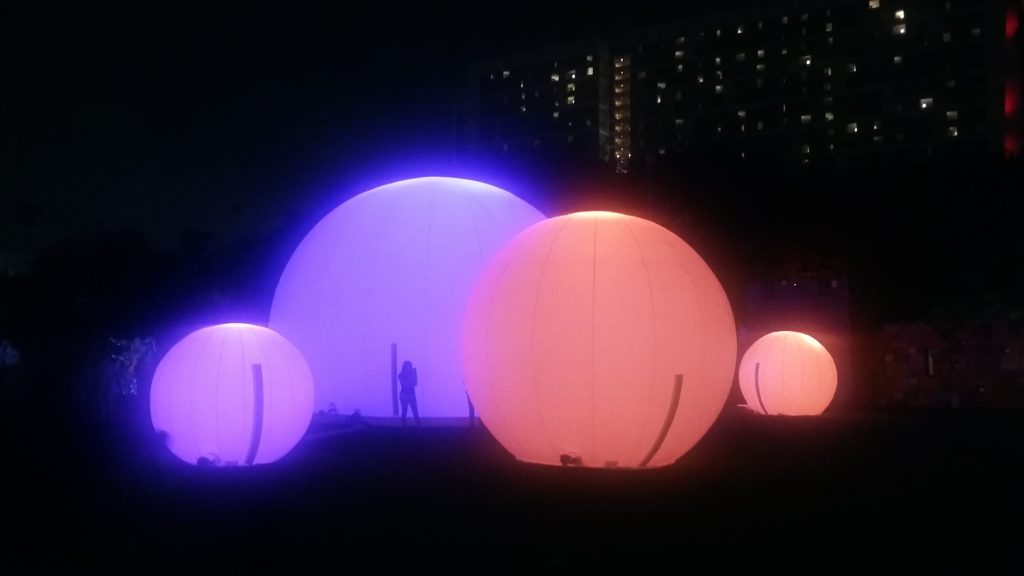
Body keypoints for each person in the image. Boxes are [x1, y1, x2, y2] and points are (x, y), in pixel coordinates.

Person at [398, 360, 420, 427]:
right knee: (404, 411)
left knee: (415, 411)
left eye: (409, 366)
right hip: (404, 395)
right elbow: (407, 384)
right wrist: (412, 374)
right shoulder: (401, 375)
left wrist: (414, 374)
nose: (408, 367)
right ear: (404, 367)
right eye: (407, 366)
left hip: (412, 395)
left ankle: (419, 427)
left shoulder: (412, 373)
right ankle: (403, 427)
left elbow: (415, 383)